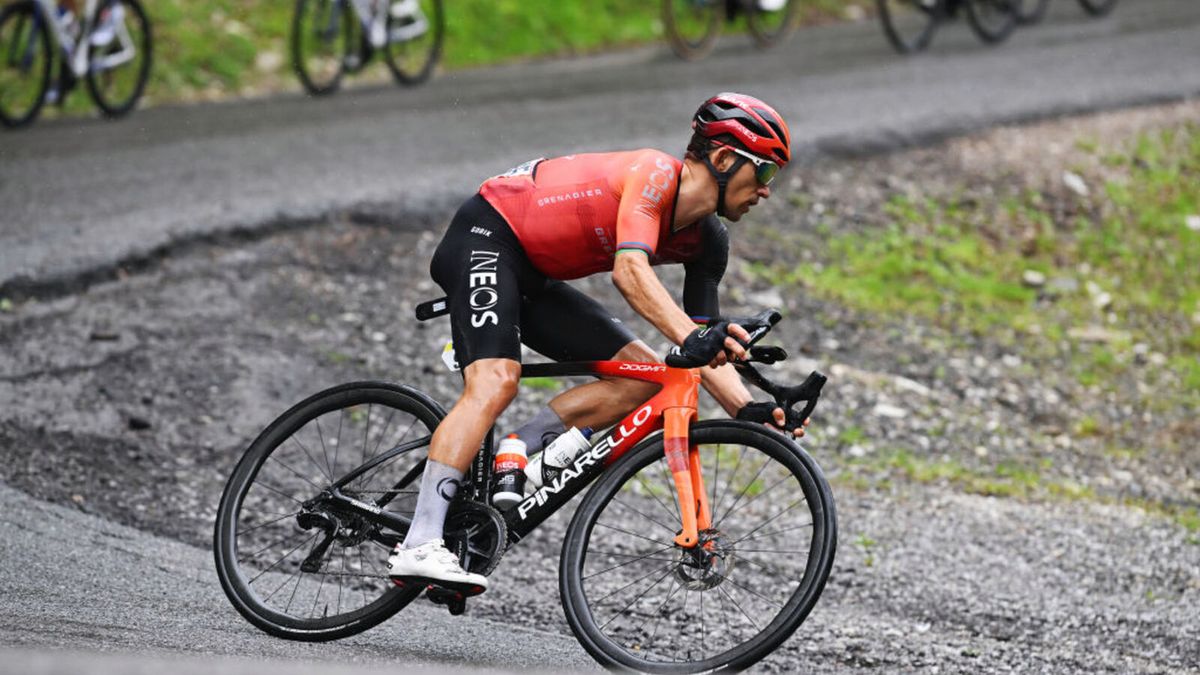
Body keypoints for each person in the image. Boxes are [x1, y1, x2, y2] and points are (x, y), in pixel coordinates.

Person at [387, 92, 806, 594]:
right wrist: (694, 337)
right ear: (722, 159)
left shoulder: (708, 241)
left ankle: (517, 449)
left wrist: (748, 408)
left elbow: (702, 348)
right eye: (764, 171)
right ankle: (419, 542)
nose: (766, 190)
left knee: (646, 379)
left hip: (535, 277)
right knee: (496, 381)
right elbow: (629, 272)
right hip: (486, 237)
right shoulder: (655, 175)